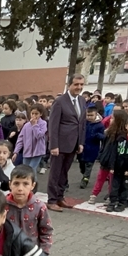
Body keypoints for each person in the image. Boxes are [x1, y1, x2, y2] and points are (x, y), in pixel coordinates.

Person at [45, 74, 87, 212]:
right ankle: (51, 200)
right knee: (55, 173)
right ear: (69, 85)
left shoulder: (81, 100)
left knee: (64, 173)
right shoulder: (60, 101)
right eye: (76, 84)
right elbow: (53, 125)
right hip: (59, 145)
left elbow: (82, 123)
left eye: (81, 85)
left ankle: (60, 197)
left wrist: (81, 142)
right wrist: (53, 145)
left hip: (73, 144)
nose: (79, 87)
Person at [13, 104, 48, 181]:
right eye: (32, 113)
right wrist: (16, 152)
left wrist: (35, 125)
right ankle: (28, 186)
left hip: (38, 151)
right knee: (26, 170)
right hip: (27, 152)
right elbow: (20, 139)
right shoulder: (26, 126)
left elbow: (39, 135)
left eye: (36, 114)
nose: (34, 116)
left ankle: (33, 187)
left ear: (41, 114)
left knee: (31, 169)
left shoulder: (43, 123)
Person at [79, 105, 105, 188]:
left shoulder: (99, 125)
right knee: (82, 164)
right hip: (83, 148)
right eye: (88, 115)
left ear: (96, 115)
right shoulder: (84, 123)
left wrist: (98, 135)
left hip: (93, 148)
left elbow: (103, 136)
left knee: (89, 166)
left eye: (91, 115)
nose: (89, 117)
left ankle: (85, 179)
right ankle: (84, 173)